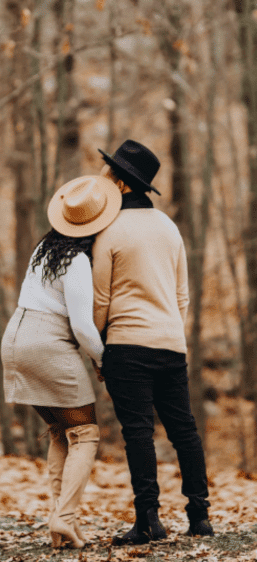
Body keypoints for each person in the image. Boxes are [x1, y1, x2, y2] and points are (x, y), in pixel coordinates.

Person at [92, 139, 214, 545]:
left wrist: (98, 349)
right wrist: (169, 331)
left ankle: (148, 520)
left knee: (139, 432)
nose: (106, 177)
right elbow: (182, 296)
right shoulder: (169, 227)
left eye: (111, 172)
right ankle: (200, 515)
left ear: (123, 184)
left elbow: (101, 300)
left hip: (127, 344)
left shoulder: (109, 231)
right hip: (170, 341)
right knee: (184, 429)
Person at [1, 175, 122, 549]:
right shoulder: (77, 262)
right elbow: (83, 325)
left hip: (15, 339)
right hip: (48, 344)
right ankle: (65, 517)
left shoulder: (44, 250)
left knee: (60, 432)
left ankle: (59, 522)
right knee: (85, 434)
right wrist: (102, 360)